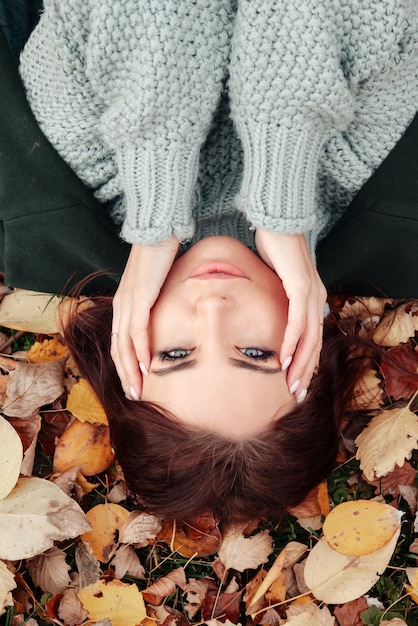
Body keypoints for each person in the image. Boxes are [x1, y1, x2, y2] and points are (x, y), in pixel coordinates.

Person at [1, 1, 418, 520]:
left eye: (175, 354)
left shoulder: (80, 165)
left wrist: (156, 211)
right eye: (256, 352)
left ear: (123, 346)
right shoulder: (364, 172)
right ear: (316, 336)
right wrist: (283, 205)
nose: (214, 309)